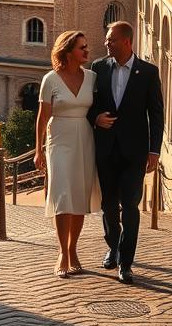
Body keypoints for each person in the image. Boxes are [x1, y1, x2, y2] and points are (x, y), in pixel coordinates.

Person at [87, 20, 164, 285]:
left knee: (130, 206)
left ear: (127, 42)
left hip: (135, 153)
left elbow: (156, 114)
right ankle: (114, 246)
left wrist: (154, 151)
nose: (106, 43)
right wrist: (95, 118)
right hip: (106, 150)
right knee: (108, 206)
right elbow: (89, 104)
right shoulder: (98, 68)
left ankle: (126, 263)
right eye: (107, 39)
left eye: (111, 39)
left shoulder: (149, 72)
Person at [33, 30, 99, 278]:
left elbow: (98, 108)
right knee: (62, 195)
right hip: (59, 138)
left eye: (86, 46)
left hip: (85, 137)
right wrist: (38, 150)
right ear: (68, 51)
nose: (87, 50)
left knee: (79, 196)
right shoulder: (50, 79)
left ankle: (73, 249)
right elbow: (42, 118)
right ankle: (62, 251)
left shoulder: (92, 77)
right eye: (82, 47)